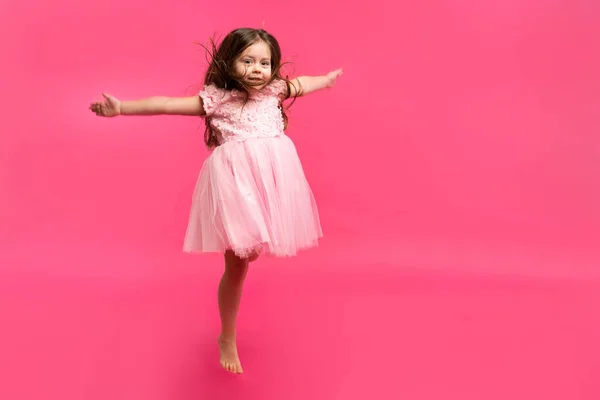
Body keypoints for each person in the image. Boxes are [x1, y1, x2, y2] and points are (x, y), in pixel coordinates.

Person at [89, 27, 343, 374]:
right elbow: (164, 104)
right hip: (236, 187)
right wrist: (122, 109)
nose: (257, 68)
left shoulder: (274, 90)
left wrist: (326, 80)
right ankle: (227, 335)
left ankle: (234, 303)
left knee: (249, 254)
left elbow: (305, 82)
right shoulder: (216, 99)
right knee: (239, 263)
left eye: (264, 62)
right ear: (229, 62)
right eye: (247, 60)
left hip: (272, 182)